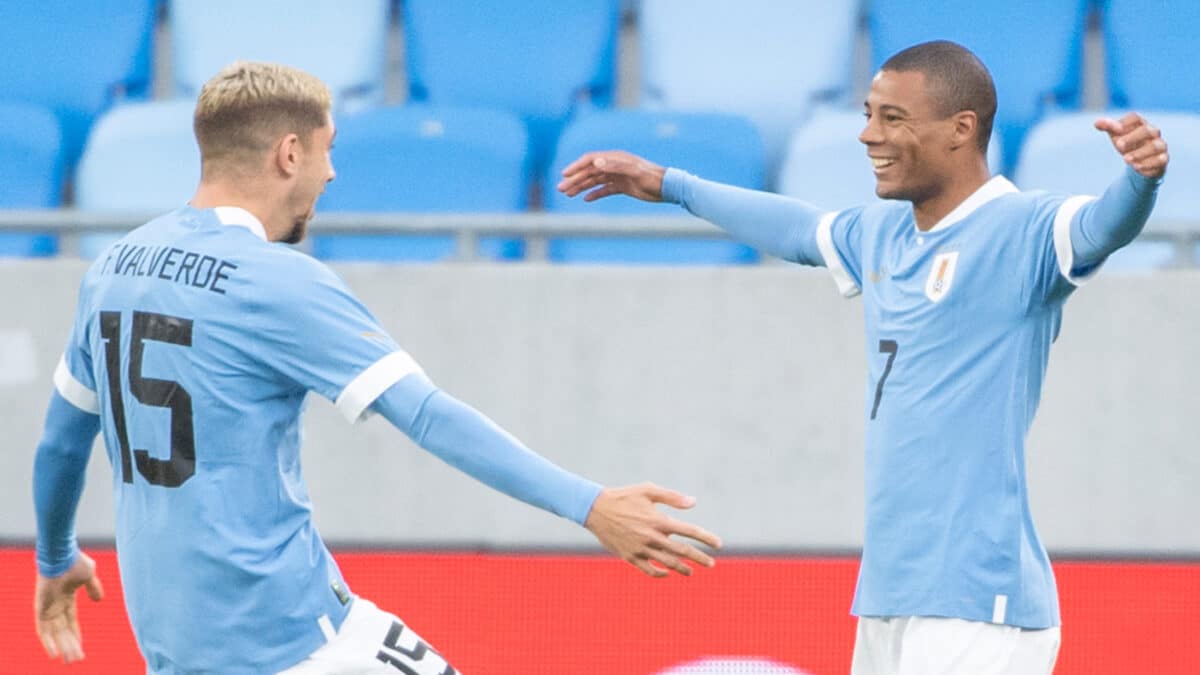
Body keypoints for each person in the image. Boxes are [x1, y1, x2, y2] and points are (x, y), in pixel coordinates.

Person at [33, 61, 722, 675]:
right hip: (293, 641)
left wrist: (56, 555)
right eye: (328, 151)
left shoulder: (112, 268)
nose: (331, 174)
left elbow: (62, 444)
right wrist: (590, 503)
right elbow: (426, 414)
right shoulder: (276, 280)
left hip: (175, 646)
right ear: (290, 152)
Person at [557, 40, 1168, 675]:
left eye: (892, 118)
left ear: (960, 129)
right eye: (869, 114)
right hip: (890, 597)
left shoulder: (1022, 228)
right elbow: (796, 229)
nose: (868, 135)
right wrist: (668, 184)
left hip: (978, 606)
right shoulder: (883, 232)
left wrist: (1140, 180)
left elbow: (1102, 226)